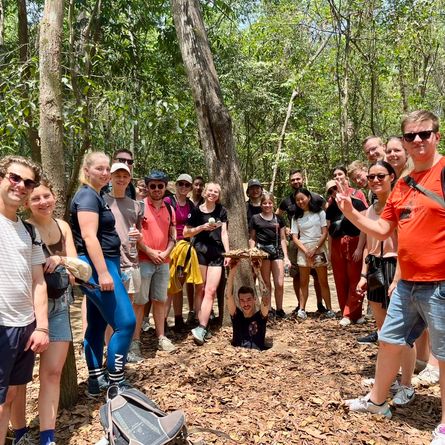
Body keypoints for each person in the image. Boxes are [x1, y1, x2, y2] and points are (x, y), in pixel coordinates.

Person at [338, 110, 445, 445]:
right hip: (407, 282)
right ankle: (377, 402)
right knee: (388, 340)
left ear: (436, 136)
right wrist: (351, 214)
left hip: (440, 284)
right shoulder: (402, 185)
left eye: (423, 134)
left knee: (443, 354)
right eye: (410, 136)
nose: (417, 141)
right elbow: (384, 228)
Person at [10, 176, 77, 445]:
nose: (42, 202)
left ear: (55, 196)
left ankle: (47, 435)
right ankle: (20, 432)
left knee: (52, 373)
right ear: (26, 202)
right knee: (19, 380)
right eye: (35, 198)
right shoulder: (21, 228)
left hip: (60, 305)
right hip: (28, 308)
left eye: (46, 196)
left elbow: (76, 266)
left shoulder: (63, 226)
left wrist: (61, 259)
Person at [70, 152, 136, 396]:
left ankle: (96, 379)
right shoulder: (87, 195)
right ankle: (116, 381)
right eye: (99, 168)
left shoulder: (94, 195)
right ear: (86, 170)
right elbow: (88, 237)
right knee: (126, 323)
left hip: (106, 264)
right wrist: (103, 273)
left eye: (107, 168)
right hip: (99, 266)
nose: (105, 172)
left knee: (97, 323)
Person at [355, 161, 416, 405]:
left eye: (381, 175)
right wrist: (362, 275)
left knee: (402, 334)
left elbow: (405, 246)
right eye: (371, 177)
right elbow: (370, 243)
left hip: (395, 268)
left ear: (392, 176)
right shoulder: (371, 209)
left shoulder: (401, 205)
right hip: (374, 269)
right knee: (384, 333)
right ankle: (386, 380)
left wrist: (398, 278)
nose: (376, 180)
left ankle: (406, 385)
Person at [0, 156, 49, 445]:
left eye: (27, 182)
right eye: (14, 178)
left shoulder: (28, 230)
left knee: (12, 395)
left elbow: (39, 281)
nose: (20, 186)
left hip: (25, 325)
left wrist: (41, 326)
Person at [104, 163, 143, 363]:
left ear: (129, 179)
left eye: (124, 176)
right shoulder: (101, 201)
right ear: (110, 177)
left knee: (128, 308)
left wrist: (138, 235)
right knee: (111, 308)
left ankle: (123, 351)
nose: (121, 179)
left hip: (131, 262)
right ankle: (109, 349)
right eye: (117, 175)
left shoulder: (136, 205)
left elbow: (138, 232)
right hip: (109, 263)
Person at [184, 182, 230, 344]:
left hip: (217, 253)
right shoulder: (196, 210)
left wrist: (228, 253)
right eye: (210, 190)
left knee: (211, 290)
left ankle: (202, 327)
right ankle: (200, 322)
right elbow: (186, 232)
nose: (212, 193)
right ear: (204, 192)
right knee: (200, 289)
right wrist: (202, 227)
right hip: (200, 252)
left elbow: (224, 233)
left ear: (219, 195)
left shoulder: (222, 211)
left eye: (216, 192)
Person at [136, 170, 177, 353]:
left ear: (165, 187)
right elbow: (135, 235)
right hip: (144, 260)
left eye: (160, 186)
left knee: (160, 300)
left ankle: (161, 337)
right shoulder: (139, 207)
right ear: (148, 187)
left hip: (164, 261)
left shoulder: (170, 208)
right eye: (153, 186)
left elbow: (173, 235)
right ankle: (135, 341)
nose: (157, 189)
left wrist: (166, 252)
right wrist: (150, 252)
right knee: (140, 301)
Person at [277, 169, 327, 314]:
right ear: (289, 182)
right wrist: (285, 228)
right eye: (293, 180)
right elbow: (277, 216)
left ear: (303, 179)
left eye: (298, 179)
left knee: (317, 274)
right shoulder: (286, 201)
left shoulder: (315, 197)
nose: (295, 182)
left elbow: (326, 212)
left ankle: (320, 304)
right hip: (295, 243)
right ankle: (301, 306)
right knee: (297, 274)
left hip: (316, 242)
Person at [325, 179, 367, 326]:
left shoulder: (357, 203)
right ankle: (346, 312)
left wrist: (360, 248)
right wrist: (330, 252)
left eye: (336, 188)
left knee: (355, 279)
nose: (334, 192)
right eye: (330, 191)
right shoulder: (330, 208)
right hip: (337, 245)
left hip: (354, 242)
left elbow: (364, 227)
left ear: (345, 185)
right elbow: (330, 232)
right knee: (340, 280)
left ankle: (353, 313)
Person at [290, 188, 335, 320]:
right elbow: (294, 236)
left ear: (309, 197)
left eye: (302, 198)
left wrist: (315, 249)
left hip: (318, 248)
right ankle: (302, 309)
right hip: (303, 249)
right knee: (303, 281)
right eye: (297, 200)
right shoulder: (296, 217)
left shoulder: (320, 213)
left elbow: (324, 232)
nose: (300, 202)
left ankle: (329, 309)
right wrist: (305, 251)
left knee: (323, 281)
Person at [249, 192, 290, 319]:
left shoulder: (278, 219)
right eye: (265, 203)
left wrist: (286, 257)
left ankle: (280, 309)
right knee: (266, 283)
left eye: (270, 203)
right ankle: (269, 308)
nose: (267, 205)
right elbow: (252, 238)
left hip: (277, 252)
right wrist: (252, 252)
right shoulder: (255, 218)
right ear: (261, 205)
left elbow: (283, 238)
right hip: (263, 253)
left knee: (280, 283)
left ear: (273, 204)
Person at [164, 174, 196, 332]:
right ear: (176, 185)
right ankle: (162, 321)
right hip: (169, 246)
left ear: (190, 188)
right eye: (181, 184)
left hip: (184, 248)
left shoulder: (191, 205)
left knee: (179, 284)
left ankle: (178, 318)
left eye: (187, 185)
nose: (183, 187)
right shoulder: (168, 202)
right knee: (168, 285)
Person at [225, 260, 269, 350]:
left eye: (249, 300)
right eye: (242, 300)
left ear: (254, 300)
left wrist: (258, 272)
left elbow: (265, 297)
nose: (245, 303)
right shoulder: (237, 316)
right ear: (239, 301)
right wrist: (232, 271)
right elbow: (228, 295)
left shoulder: (261, 317)